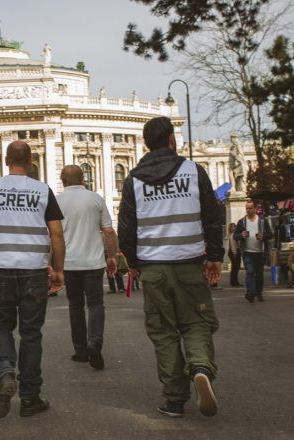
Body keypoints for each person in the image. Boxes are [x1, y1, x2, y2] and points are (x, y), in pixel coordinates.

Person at [118, 117, 224, 418]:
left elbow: (126, 228)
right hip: (189, 264)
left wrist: (134, 264)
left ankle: (175, 399)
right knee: (197, 322)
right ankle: (201, 366)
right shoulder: (193, 171)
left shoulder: (134, 180)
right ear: (171, 140)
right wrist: (215, 256)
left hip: (153, 268)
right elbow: (212, 216)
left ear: (145, 144)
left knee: (163, 332)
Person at [0, 140, 65, 419]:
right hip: (34, 271)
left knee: (0, 327)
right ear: (31, 159)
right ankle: (30, 398)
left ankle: (5, 372)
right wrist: (58, 269)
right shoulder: (43, 190)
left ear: (5, 158)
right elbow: (56, 232)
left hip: (0, 270)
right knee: (31, 334)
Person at [56, 165, 117, 369]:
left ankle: (81, 349)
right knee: (95, 303)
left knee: (75, 306)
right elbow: (108, 231)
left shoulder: (56, 202)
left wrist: (51, 265)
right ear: (83, 178)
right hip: (93, 262)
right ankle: (95, 341)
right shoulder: (95, 199)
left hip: (69, 263)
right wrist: (113, 256)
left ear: (63, 180)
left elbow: (52, 236)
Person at [233, 201, 272, 302]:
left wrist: (263, 236)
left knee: (259, 274)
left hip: (260, 252)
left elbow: (270, 234)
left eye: (250, 208)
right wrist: (241, 235)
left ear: (255, 209)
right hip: (247, 251)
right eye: (247, 208)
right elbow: (235, 235)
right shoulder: (242, 222)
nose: (248, 210)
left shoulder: (262, 221)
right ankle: (250, 292)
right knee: (250, 272)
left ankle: (258, 292)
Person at [227, 223, 241, 287]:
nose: (234, 228)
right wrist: (235, 253)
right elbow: (233, 246)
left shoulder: (232, 235)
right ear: (230, 228)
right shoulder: (232, 235)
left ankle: (234, 281)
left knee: (235, 268)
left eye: (235, 227)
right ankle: (234, 282)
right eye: (233, 227)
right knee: (235, 268)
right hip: (233, 252)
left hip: (233, 252)